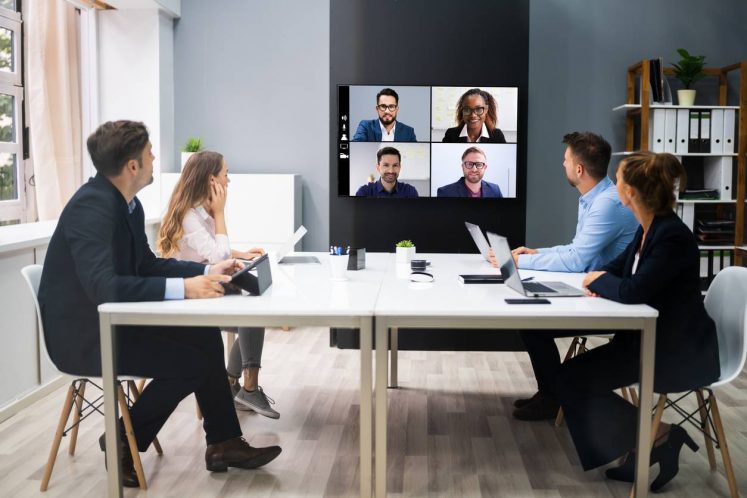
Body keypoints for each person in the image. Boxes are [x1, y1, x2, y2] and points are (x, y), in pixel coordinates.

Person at [38, 121, 281, 487]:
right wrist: (185, 288)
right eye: (150, 153)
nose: (155, 158)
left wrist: (206, 269)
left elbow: (147, 265)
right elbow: (104, 287)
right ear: (132, 166)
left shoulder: (128, 205)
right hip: (86, 336)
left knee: (203, 339)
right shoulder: (91, 208)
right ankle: (123, 436)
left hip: (115, 320)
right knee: (190, 362)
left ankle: (224, 442)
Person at [560, 151, 720, 491]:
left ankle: (656, 438)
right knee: (570, 376)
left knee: (573, 378)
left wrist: (597, 281)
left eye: (618, 179)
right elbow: (618, 270)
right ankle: (651, 440)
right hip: (647, 340)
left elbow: (633, 289)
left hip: (675, 352)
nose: (614, 184)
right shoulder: (649, 228)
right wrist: (598, 278)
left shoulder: (671, 236)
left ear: (630, 191)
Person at [496, 132, 638, 421]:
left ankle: (552, 397)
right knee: (531, 323)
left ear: (579, 169)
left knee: (534, 327)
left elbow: (576, 260)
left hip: (609, 299)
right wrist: (533, 253)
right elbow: (577, 249)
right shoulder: (593, 198)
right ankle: (549, 394)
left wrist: (520, 260)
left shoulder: (606, 204)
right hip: (594, 289)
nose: (562, 165)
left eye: (565, 160)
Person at [158, 150, 279, 419]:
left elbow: (212, 251)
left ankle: (233, 383)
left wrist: (242, 254)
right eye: (226, 174)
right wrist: (221, 213)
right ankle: (246, 387)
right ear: (212, 180)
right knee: (251, 312)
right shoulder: (190, 215)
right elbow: (217, 256)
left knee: (254, 310)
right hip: (189, 299)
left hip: (205, 287)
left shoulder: (200, 212)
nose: (229, 181)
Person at [442, 88, 506, 143]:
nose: (473, 115)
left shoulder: (497, 136)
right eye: (467, 109)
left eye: (478, 109)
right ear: (462, 111)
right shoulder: (451, 134)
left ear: (486, 110)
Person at [352, 88, 417, 142]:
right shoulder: (366, 126)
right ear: (377, 109)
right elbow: (355, 147)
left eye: (391, 106)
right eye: (383, 106)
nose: (387, 111)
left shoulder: (409, 132)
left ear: (397, 109)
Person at [436, 146, 502, 198]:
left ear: (485, 167)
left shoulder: (495, 190)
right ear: (463, 167)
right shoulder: (445, 192)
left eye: (479, 164)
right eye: (469, 164)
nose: (474, 169)